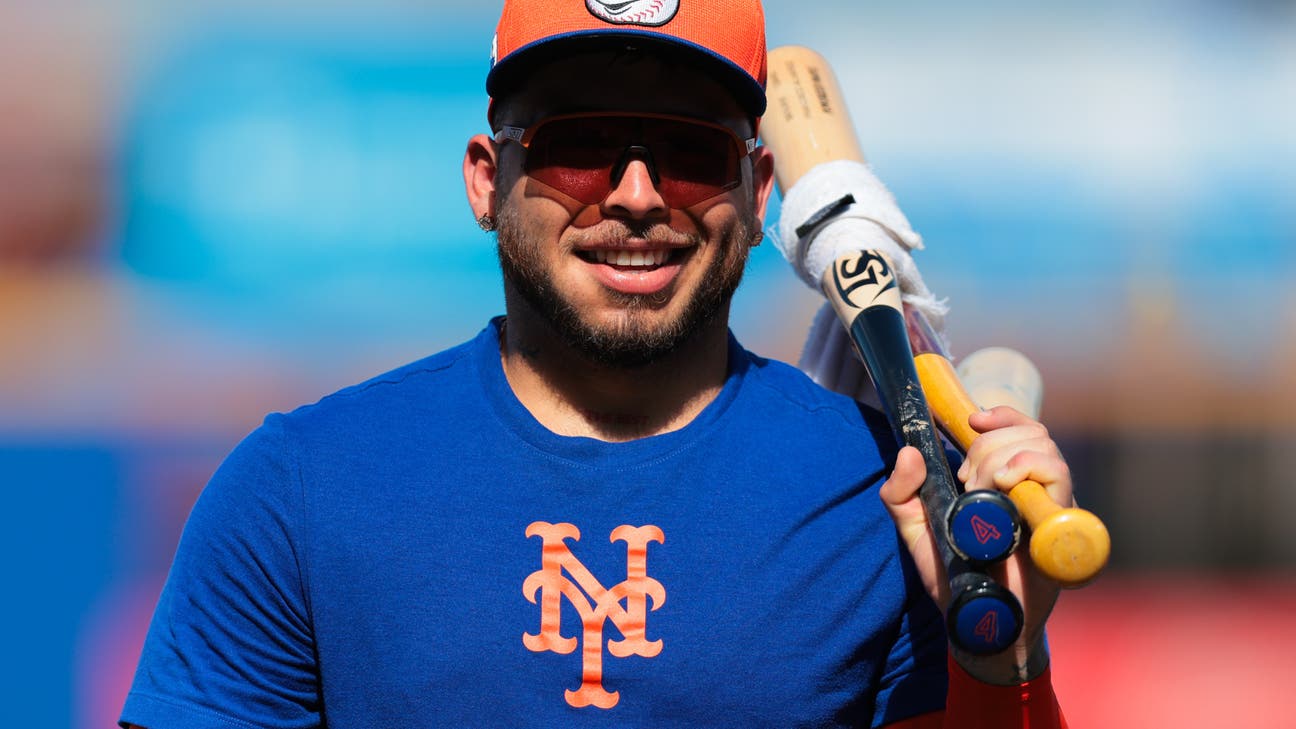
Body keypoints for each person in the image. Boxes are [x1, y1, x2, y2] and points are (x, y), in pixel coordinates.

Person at [120, 0, 1074, 726]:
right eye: (576, 147)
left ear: (758, 194)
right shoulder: (305, 488)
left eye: (692, 153)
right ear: (486, 181)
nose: (635, 195)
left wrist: (1004, 657)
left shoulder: (893, 495)